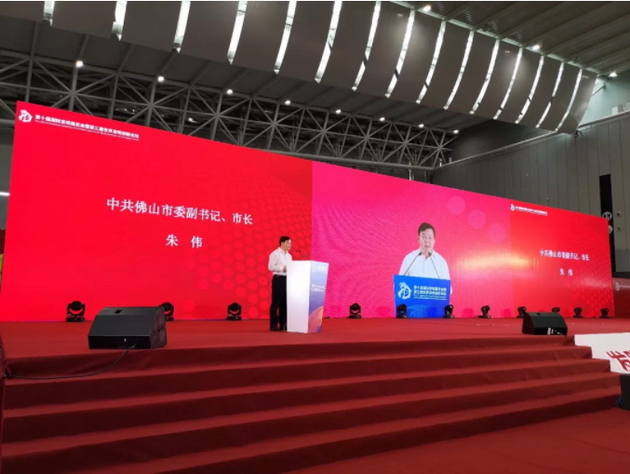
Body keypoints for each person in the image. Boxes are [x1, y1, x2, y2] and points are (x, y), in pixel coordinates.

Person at [268, 236, 292, 331]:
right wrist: (283, 269)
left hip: (287, 279)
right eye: (288, 243)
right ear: (282, 243)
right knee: (276, 302)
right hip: (278, 279)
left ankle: (283, 324)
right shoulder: (275, 254)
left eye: (290, 243)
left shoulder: (289, 256)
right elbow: (270, 267)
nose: (290, 245)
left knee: (285, 303)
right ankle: (273, 325)